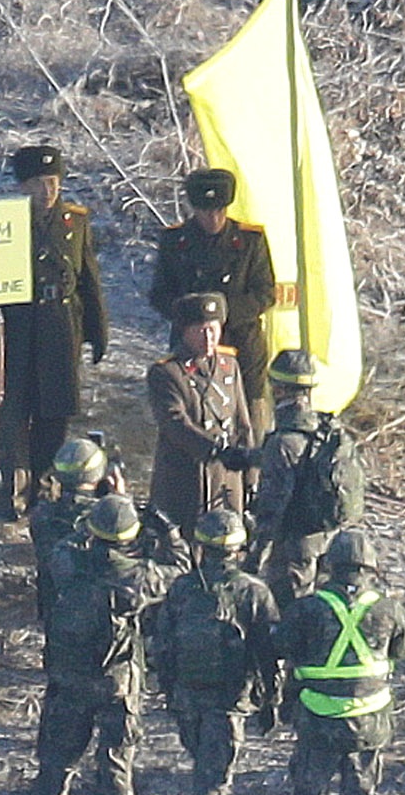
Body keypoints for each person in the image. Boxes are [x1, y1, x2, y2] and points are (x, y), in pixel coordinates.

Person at [27, 490, 165, 795]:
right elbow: (180, 568)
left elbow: (62, 544)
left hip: (67, 677)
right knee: (116, 759)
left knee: (56, 758)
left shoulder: (65, 562)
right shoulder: (137, 577)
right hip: (115, 684)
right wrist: (163, 527)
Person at [145, 504, 278, 795]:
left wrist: (168, 691)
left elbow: (162, 645)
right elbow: (268, 654)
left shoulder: (182, 589)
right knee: (212, 780)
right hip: (229, 702)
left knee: (205, 772)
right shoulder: (254, 592)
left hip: (186, 698)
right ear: (238, 549)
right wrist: (271, 700)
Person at [280, 526, 405, 795]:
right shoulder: (388, 609)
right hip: (369, 722)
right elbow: (404, 649)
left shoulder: (308, 607)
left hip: (318, 718)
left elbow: (282, 645)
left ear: (329, 565)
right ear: (370, 566)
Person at [0, 145, 106, 518]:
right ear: (24, 186)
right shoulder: (4, 223)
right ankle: (14, 489)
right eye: (40, 183)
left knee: (54, 411)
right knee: (14, 411)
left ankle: (45, 486)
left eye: (54, 182)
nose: (48, 191)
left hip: (60, 326)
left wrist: (97, 331)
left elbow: (88, 278)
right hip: (17, 326)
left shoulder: (75, 221)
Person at [147, 166, 281, 426]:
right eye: (206, 211)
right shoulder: (176, 241)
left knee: (251, 424)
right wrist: (192, 317)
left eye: (219, 210)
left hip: (242, 346)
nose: (213, 218)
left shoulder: (249, 240)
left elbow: (265, 292)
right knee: (196, 419)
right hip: (192, 349)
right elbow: (160, 294)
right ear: (195, 209)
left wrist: (220, 316)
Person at [248, 348, 366, 607]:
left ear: (277, 389)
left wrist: (254, 556)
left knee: (292, 612)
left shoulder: (282, 442)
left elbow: (272, 507)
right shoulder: (326, 430)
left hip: (295, 546)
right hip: (329, 538)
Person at [144, 294, 253, 535]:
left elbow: (242, 422)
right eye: (201, 330)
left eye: (213, 329)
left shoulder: (229, 365)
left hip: (226, 481)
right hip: (184, 481)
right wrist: (214, 450)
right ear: (184, 331)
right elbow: (175, 422)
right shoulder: (167, 372)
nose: (209, 338)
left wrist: (251, 475)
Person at [28, 435, 117, 602]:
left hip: (52, 603)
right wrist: (120, 500)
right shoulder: (102, 515)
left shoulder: (41, 513)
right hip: (94, 609)